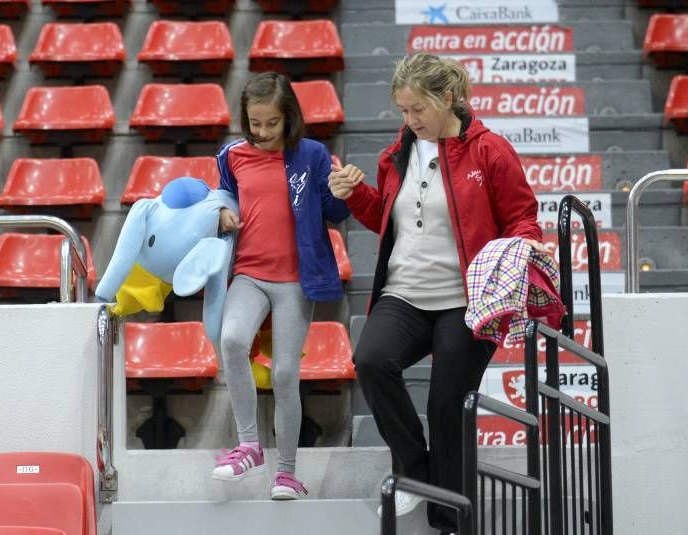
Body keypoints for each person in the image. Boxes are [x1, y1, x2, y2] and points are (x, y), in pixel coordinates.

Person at [328, 53, 543, 533]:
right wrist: (353, 195)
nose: (409, 121)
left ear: (447, 99)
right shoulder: (399, 151)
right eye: (402, 111)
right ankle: (413, 470)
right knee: (370, 361)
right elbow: (386, 217)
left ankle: (447, 517)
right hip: (404, 293)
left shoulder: (491, 150)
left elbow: (522, 216)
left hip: (468, 302)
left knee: (448, 404)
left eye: (416, 110)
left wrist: (526, 241)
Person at [211, 72, 350, 500]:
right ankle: (250, 446)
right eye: (256, 123)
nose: (264, 132)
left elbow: (334, 213)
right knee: (232, 339)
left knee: (286, 373)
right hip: (249, 273)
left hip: (295, 281)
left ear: (289, 118)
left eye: (273, 123)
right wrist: (220, 214)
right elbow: (223, 196)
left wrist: (341, 192)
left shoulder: (312, 154)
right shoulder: (231, 155)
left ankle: (286, 473)